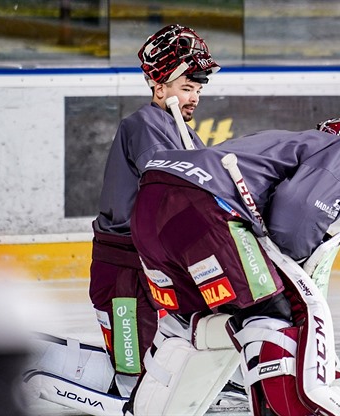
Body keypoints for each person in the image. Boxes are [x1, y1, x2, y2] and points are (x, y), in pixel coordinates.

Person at [127, 117, 340, 415]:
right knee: (271, 311)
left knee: (191, 323)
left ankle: (143, 409)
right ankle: (287, 409)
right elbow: (297, 216)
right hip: (202, 208)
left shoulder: (274, 139)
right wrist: (284, 264)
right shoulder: (338, 148)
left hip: (148, 208)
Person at [89, 23, 220, 398]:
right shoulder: (143, 125)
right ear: (159, 88)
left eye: (197, 89)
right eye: (186, 88)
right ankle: (134, 391)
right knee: (134, 364)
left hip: (153, 259)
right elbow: (168, 185)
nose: (194, 97)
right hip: (124, 264)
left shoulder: (183, 130)